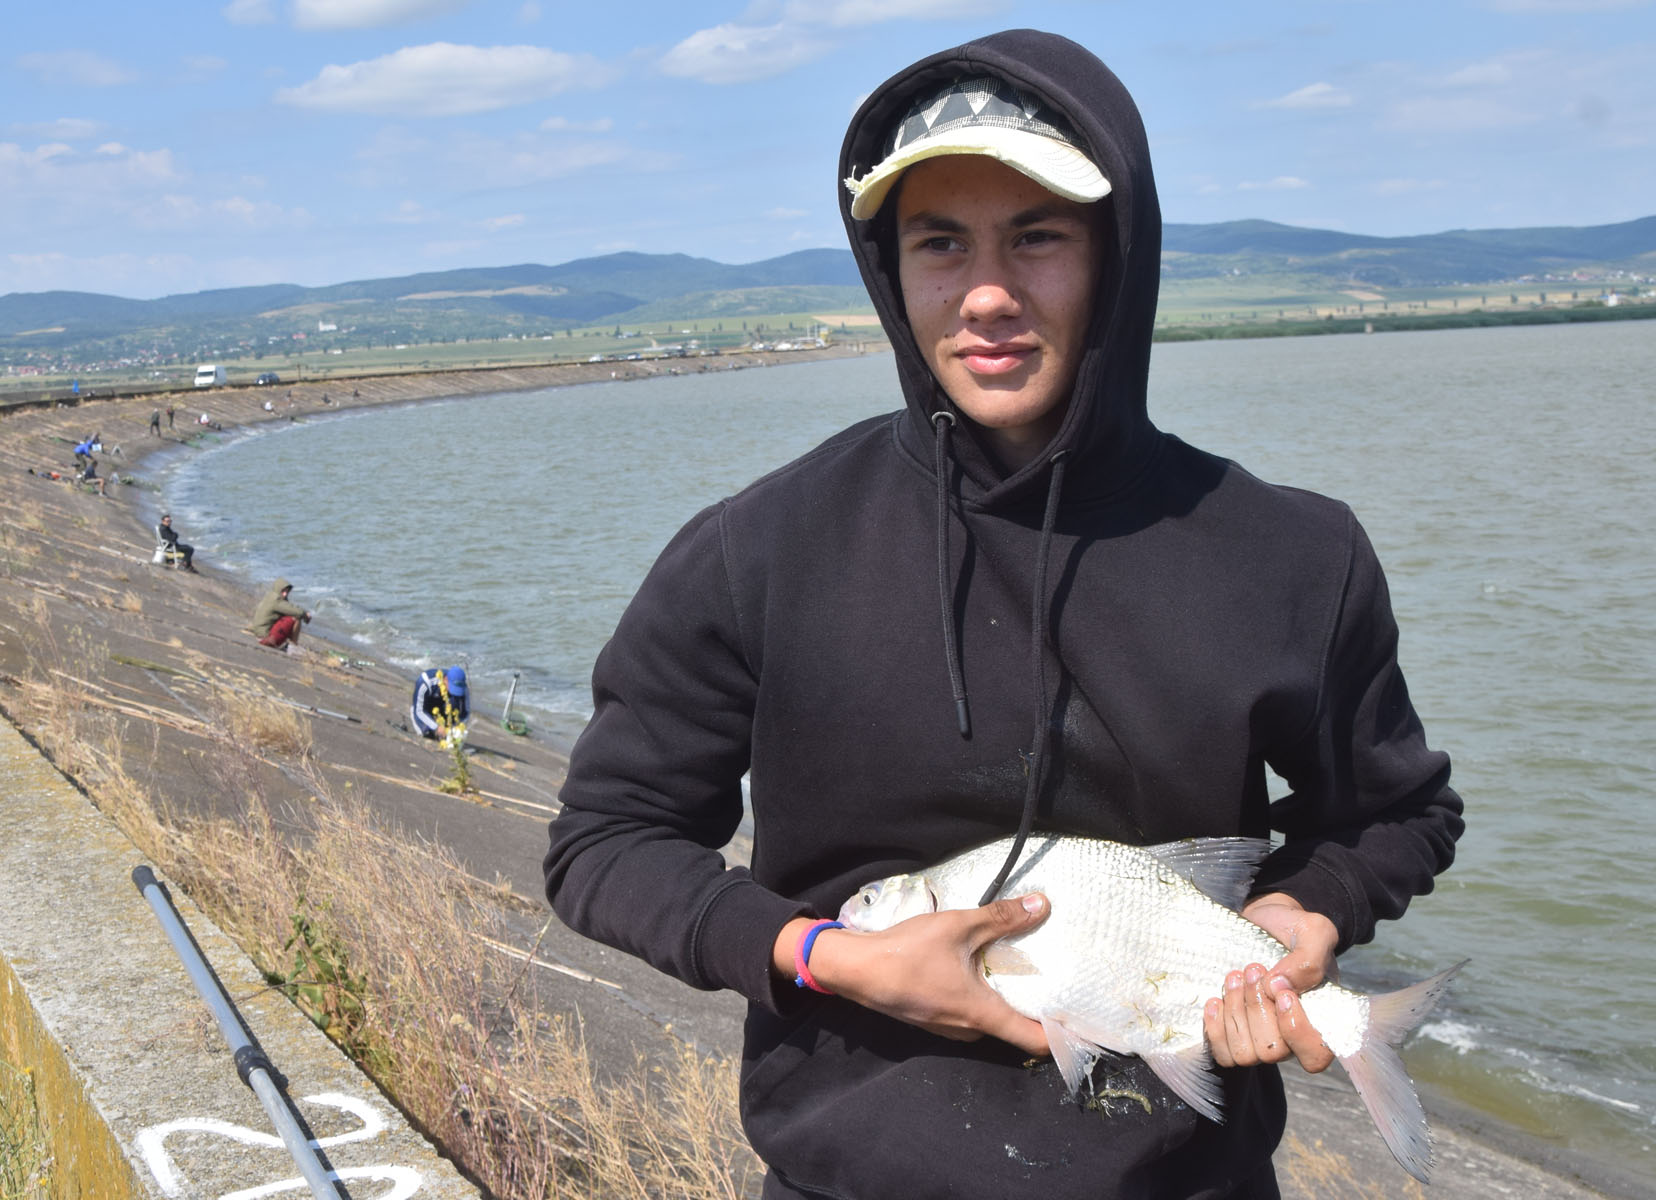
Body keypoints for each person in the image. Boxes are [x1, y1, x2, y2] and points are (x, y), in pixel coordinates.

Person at [543, 30, 1463, 1200]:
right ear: (889, 271)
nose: (986, 295)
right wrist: (824, 956)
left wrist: (1305, 909)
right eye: (940, 243)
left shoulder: (1292, 553)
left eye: (1037, 237)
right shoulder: (759, 549)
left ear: (1117, 256)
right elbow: (606, 841)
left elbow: (1397, 813)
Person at [409, 665, 469, 741]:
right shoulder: (426, 682)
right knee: (427, 735)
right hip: (425, 708)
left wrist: (457, 728)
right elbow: (419, 711)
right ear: (445, 679)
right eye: (452, 688)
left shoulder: (463, 688)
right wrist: (436, 727)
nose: (455, 692)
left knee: (449, 738)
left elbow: (465, 713)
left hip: (444, 707)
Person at [248, 578, 310, 649]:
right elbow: (298, 612)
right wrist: (305, 615)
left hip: (259, 634)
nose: (285, 594)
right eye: (283, 591)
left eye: (287, 591)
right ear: (278, 589)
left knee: (288, 616)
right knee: (296, 618)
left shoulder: (270, 596)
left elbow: (290, 607)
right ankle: (293, 646)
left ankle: (287, 644)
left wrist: (303, 613)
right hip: (266, 637)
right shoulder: (277, 600)